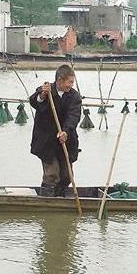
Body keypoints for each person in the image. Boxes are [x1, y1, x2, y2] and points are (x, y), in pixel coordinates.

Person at [30, 65, 82, 197]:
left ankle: (60, 198)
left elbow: (74, 116)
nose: (71, 85)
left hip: (66, 140)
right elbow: (34, 101)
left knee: (67, 175)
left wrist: (65, 131)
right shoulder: (46, 90)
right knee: (52, 173)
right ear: (59, 80)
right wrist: (42, 94)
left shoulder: (74, 96)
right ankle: (47, 200)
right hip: (46, 140)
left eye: (72, 82)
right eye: (69, 82)